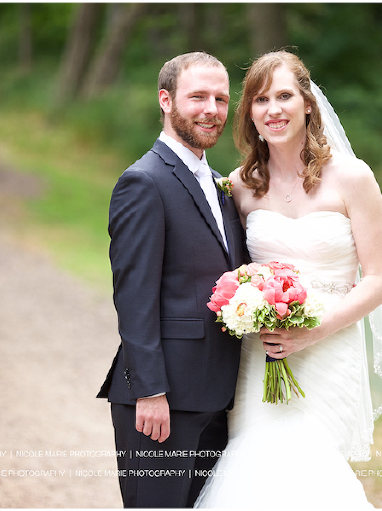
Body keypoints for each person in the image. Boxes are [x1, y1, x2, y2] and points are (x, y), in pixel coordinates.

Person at [194, 51, 382, 508]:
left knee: (311, 471)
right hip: (263, 353)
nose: (274, 109)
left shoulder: (353, 178)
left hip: (329, 348)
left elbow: (379, 279)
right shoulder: (241, 187)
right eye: (261, 99)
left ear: (308, 103)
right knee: (254, 470)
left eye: (285, 95)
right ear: (250, 113)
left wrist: (315, 329)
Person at [97, 52, 248, 508]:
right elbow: (134, 295)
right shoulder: (143, 182)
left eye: (221, 99)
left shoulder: (221, 184)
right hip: (162, 402)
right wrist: (151, 391)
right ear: (166, 100)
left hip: (216, 396)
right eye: (198, 97)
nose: (212, 110)